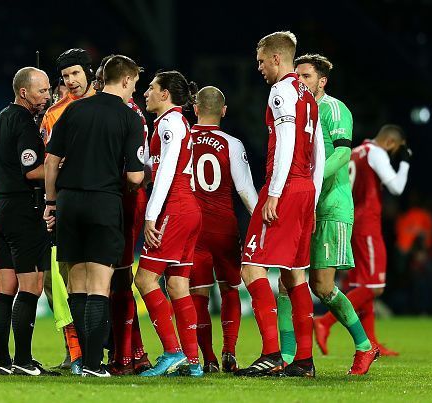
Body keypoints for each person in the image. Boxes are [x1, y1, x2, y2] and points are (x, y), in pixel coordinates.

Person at [274, 54, 380, 375]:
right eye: (298, 76)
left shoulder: (335, 109)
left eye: (307, 76)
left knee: (322, 286)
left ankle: (365, 346)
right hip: (303, 204)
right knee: (286, 282)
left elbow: (343, 154)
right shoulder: (295, 110)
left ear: (322, 81)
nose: (301, 81)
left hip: (331, 206)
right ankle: (289, 358)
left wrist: (312, 181)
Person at [44, 55, 145, 377]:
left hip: (69, 202)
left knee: (76, 285)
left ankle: (79, 362)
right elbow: (134, 177)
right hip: (103, 201)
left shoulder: (74, 109)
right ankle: (92, 365)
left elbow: (50, 161)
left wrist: (51, 201)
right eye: (135, 85)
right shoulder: (130, 119)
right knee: (100, 286)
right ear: (127, 80)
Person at [234, 32, 325, 378]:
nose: (258, 68)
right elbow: (318, 152)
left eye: (260, 60)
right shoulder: (309, 96)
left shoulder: (281, 90)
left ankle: (271, 353)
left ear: (275, 58)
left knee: (251, 267)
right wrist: (312, 201)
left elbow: (286, 141)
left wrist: (274, 192)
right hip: (304, 190)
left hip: (285, 188)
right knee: (294, 275)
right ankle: (303, 360)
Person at [0, 67, 59, 376]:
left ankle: (3, 361)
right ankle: (24, 360)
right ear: (24, 92)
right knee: (32, 286)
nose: (47, 95)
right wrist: (62, 168)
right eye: (42, 91)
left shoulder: (0, 119)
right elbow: (32, 172)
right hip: (21, 210)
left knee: (5, 288)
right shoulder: (24, 124)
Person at [316, 124, 411, 357]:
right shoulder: (376, 152)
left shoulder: (358, 151)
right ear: (389, 142)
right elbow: (396, 188)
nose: (393, 154)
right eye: (395, 149)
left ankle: (372, 342)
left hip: (352, 218)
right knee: (374, 287)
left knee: (362, 284)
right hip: (367, 223)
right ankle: (324, 322)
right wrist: (406, 163)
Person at [133, 70, 203, 377]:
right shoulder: (165, 123)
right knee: (176, 284)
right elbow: (152, 169)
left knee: (144, 280)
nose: (145, 93)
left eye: (151, 88)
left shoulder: (172, 123)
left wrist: (151, 215)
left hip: (174, 207)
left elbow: (167, 171)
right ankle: (192, 361)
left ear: (165, 94)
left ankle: (173, 352)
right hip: (186, 208)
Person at [189, 86, 258, 373]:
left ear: (195, 109)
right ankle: (229, 352)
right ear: (224, 111)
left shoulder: (182, 138)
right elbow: (244, 190)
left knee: (198, 294)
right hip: (224, 226)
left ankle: (208, 359)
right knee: (230, 289)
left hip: (193, 227)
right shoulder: (232, 143)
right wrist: (263, 220)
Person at [93, 55, 152, 376]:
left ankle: (125, 356)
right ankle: (131, 352)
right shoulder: (124, 113)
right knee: (114, 278)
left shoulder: (129, 114)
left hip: (124, 200)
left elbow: (138, 170)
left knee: (118, 277)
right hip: (114, 198)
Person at [41, 48, 96, 372]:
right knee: (61, 279)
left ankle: (123, 352)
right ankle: (76, 350)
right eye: (65, 76)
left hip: (104, 201)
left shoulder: (110, 105)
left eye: (76, 73)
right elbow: (49, 161)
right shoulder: (54, 114)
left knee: (106, 279)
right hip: (66, 203)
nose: (71, 81)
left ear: (89, 73)